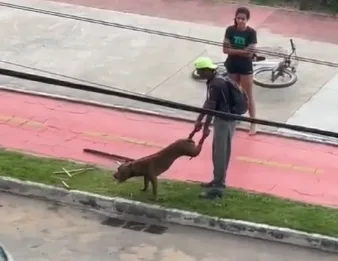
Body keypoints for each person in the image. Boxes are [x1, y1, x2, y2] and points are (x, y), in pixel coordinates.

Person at [193, 57, 237, 200]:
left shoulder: (216, 84)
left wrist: (205, 127)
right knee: (217, 151)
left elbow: (212, 108)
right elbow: (209, 102)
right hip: (225, 119)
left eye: (199, 70)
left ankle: (218, 187)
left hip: (225, 121)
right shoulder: (216, 80)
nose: (198, 73)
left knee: (221, 154)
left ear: (206, 70)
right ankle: (216, 179)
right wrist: (199, 119)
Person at [223, 7, 257, 135]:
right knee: (233, 93)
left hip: (245, 67)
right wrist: (243, 51)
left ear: (247, 19)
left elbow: (250, 53)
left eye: (243, 19)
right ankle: (234, 117)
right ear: (235, 18)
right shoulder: (230, 30)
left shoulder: (251, 33)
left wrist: (235, 51)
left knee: (248, 95)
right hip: (232, 65)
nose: (240, 21)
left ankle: (253, 122)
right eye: (238, 18)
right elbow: (225, 50)